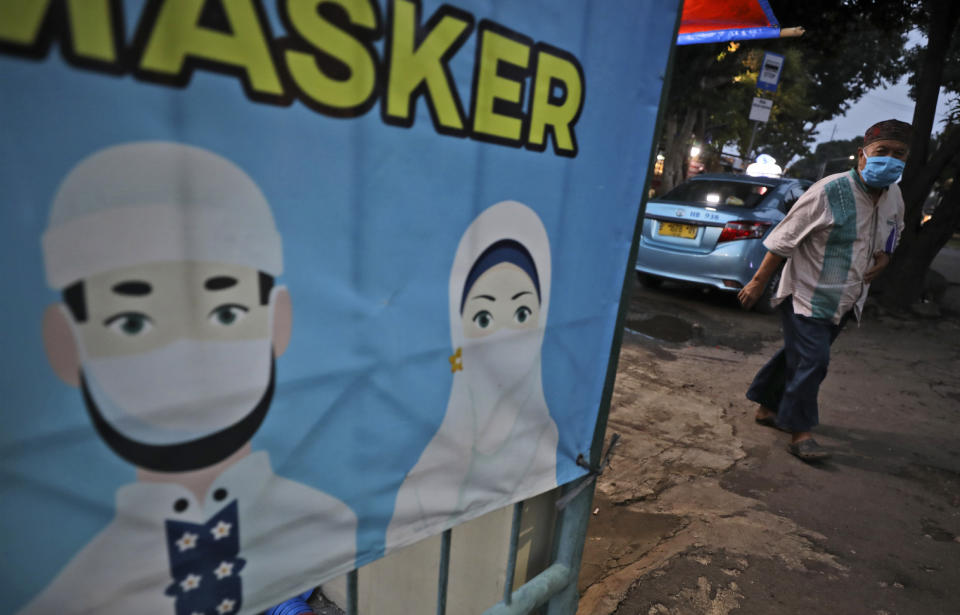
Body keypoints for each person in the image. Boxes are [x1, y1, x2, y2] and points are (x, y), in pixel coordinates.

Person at [23, 142, 356, 615]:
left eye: (225, 313)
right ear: (65, 344)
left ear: (278, 323)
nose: (182, 361)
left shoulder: (323, 515)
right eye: (132, 323)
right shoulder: (67, 575)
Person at [384, 201, 559, 550]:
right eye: (483, 318)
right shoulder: (428, 461)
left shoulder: (546, 437)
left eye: (523, 312)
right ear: (458, 327)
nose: (504, 336)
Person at [738, 119, 912, 461]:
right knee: (814, 361)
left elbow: (895, 231)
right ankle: (800, 431)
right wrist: (757, 283)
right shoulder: (828, 190)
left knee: (799, 356)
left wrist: (886, 257)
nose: (890, 159)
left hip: (847, 299)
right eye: (882, 152)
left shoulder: (895, 197)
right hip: (806, 294)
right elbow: (783, 240)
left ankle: (766, 406)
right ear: (862, 156)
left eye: (899, 154)